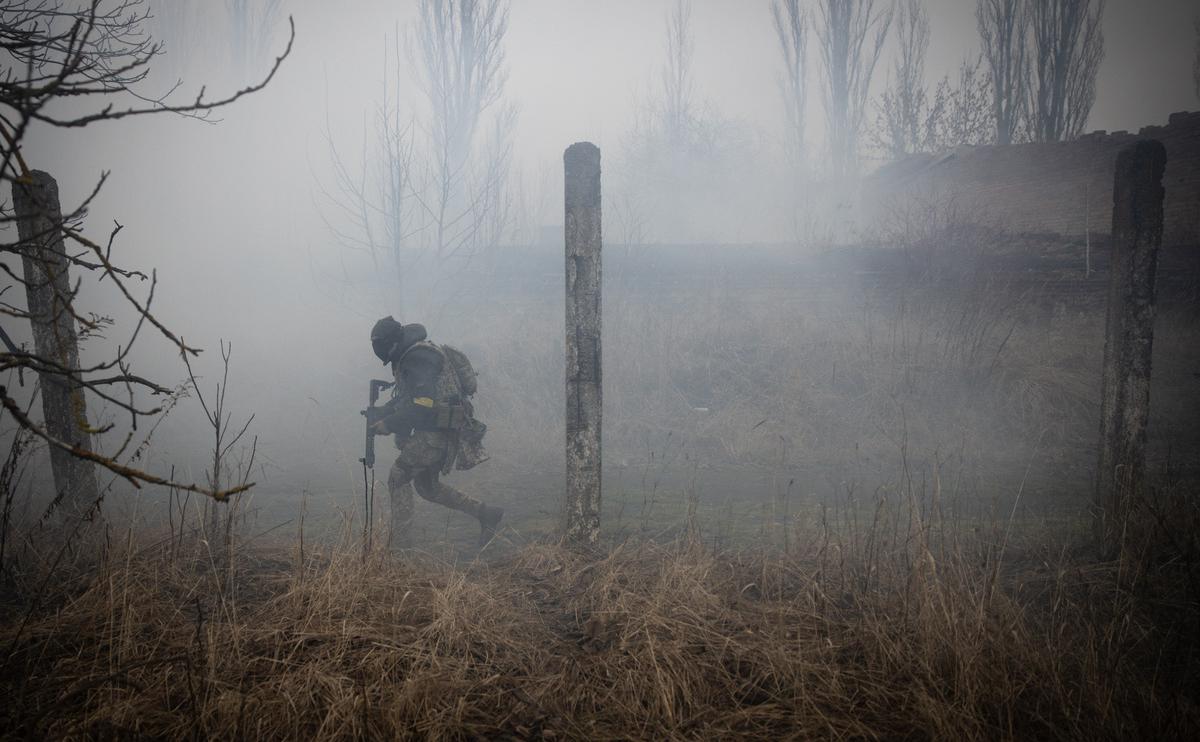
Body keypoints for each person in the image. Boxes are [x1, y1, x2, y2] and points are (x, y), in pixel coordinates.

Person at [368, 316, 502, 548]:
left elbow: (423, 403)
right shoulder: (413, 354)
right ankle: (486, 513)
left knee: (398, 477)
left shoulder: (418, 357)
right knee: (427, 488)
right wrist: (384, 411)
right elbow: (409, 398)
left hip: (435, 433)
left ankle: (400, 547)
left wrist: (389, 424)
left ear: (391, 343)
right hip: (434, 430)